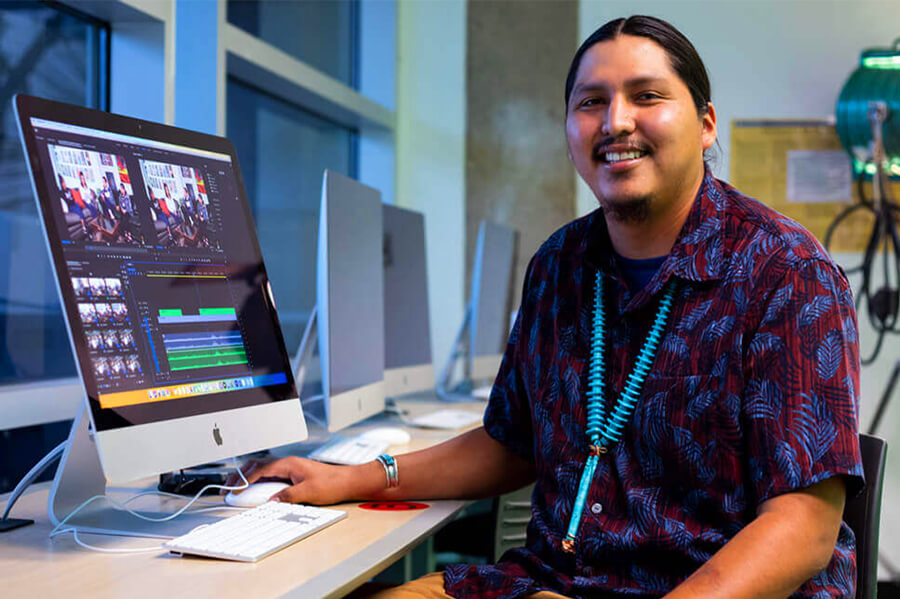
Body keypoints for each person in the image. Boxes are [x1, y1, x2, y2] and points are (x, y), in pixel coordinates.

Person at [229, 15, 864, 599]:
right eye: (591, 102)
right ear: (569, 131)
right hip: (554, 582)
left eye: (647, 96)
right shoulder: (560, 265)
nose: (616, 121)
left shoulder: (786, 274)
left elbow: (804, 526)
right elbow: (512, 442)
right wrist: (355, 477)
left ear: (704, 124)